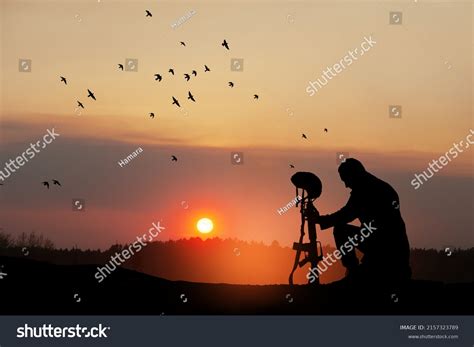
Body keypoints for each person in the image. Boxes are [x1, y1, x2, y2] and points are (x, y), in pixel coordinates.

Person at [307, 158, 411, 285]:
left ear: (353, 175)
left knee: (341, 230)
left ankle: (353, 271)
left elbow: (346, 214)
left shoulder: (365, 190)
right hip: (392, 250)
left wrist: (319, 220)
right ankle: (360, 271)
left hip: (388, 251)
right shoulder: (378, 186)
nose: (346, 185)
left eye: (346, 180)